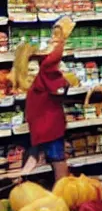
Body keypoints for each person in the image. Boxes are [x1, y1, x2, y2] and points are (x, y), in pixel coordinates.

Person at [15, 16, 78, 180]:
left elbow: (53, 59)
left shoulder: (46, 72)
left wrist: (61, 40)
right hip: (46, 127)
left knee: (57, 160)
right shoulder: (44, 75)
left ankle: (61, 194)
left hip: (48, 127)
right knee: (54, 158)